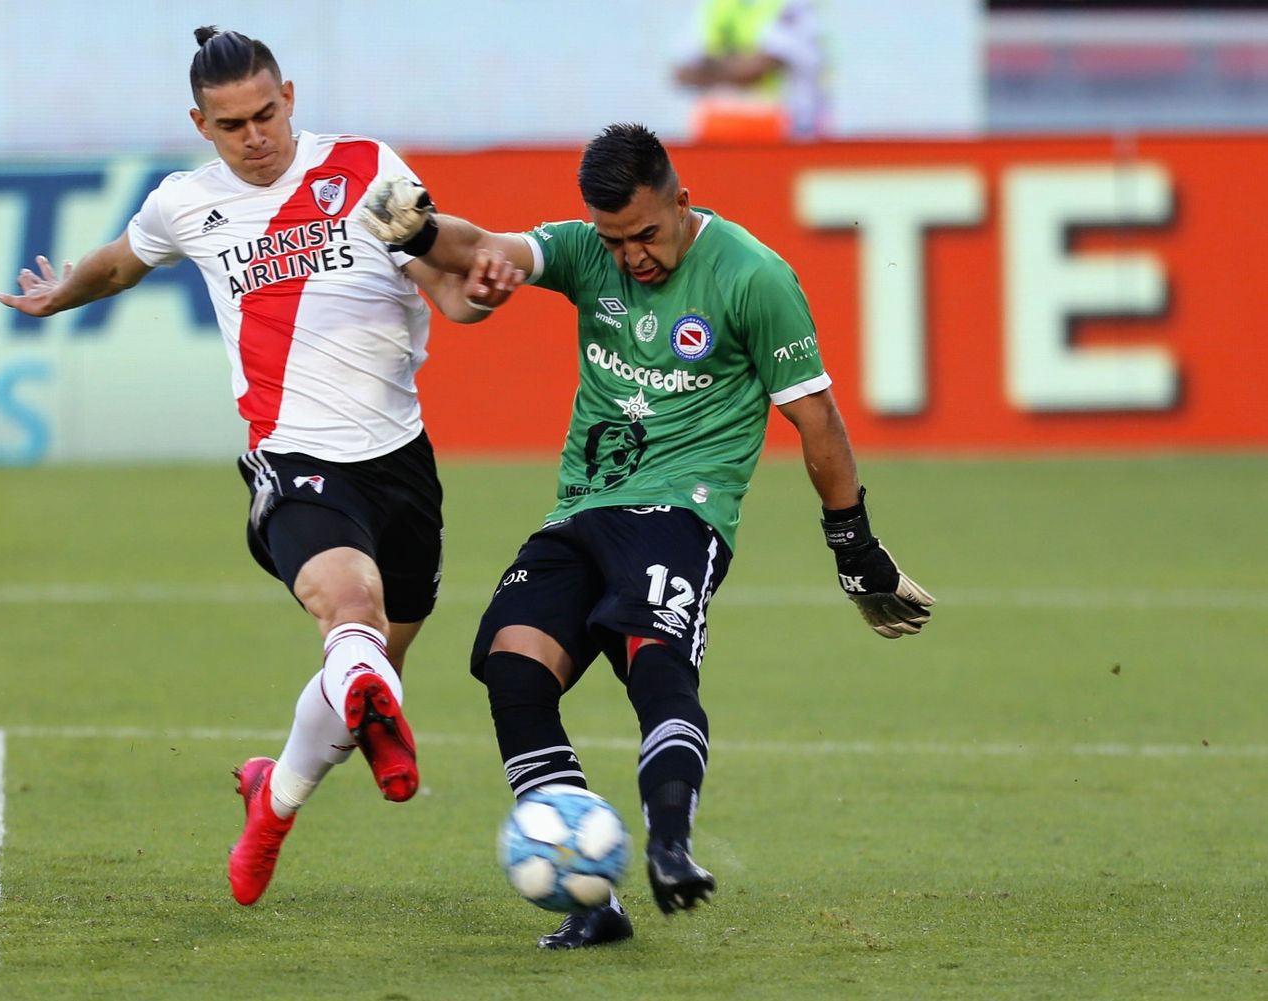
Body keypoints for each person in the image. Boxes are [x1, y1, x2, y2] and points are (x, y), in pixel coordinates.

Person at [359, 123, 933, 948]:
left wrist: (855, 545)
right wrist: (410, 227)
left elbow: (818, 420)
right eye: (615, 240)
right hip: (579, 512)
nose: (632, 257)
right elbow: (482, 245)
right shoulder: (586, 253)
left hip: (682, 514)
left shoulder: (753, 276)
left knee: (652, 660)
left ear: (681, 202)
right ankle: (595, 902)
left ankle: (669, 844)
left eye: (647, 235)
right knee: (514, 670)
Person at [0, 26, 520, 907]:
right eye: (232, 123)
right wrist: (60, 294)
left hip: (401, 462)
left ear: (290, 95)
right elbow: (121, 265)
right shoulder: (185, 204)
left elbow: (440, 275)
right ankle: (368, 713)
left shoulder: (359, 172)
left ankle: (270, 799)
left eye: (266, 114)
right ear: (200, 123)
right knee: (349, 610)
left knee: (366, 670)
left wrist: (476, 295)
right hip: (294, 455)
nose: (255, 137)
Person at [673, 0, 827, 143]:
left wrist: (711, 67)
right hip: (719, 131)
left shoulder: (791, 4)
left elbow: (756, 69)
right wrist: (736, 65)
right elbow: (683, 73)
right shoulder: (716, 5)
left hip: (791, 134)